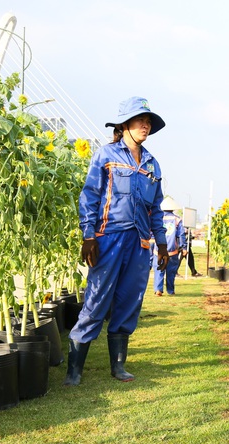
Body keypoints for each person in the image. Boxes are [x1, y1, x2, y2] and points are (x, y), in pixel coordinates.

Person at [64, 96, 169, 386]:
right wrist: (88, 235)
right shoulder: (106, 155)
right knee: (96, 300)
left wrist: (161, 244)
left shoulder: (152, 164)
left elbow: (155, 209)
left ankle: (118, 367)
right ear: (124, 125)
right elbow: (90, 196)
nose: (145, 125)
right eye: (140, 120)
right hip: (108, 238)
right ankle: (74, 372)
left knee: (128, 302)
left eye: (148, 122)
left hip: (138, 244)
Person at [151, 197, 187, 296]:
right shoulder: (177, 219)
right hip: (172, 250)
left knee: (159, 269)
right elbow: (181, 235)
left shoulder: (158, 219)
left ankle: (158, 289)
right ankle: (170, 290)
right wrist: (184, 247)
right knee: (171, 271)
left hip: (158, 249)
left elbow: (152, 233)